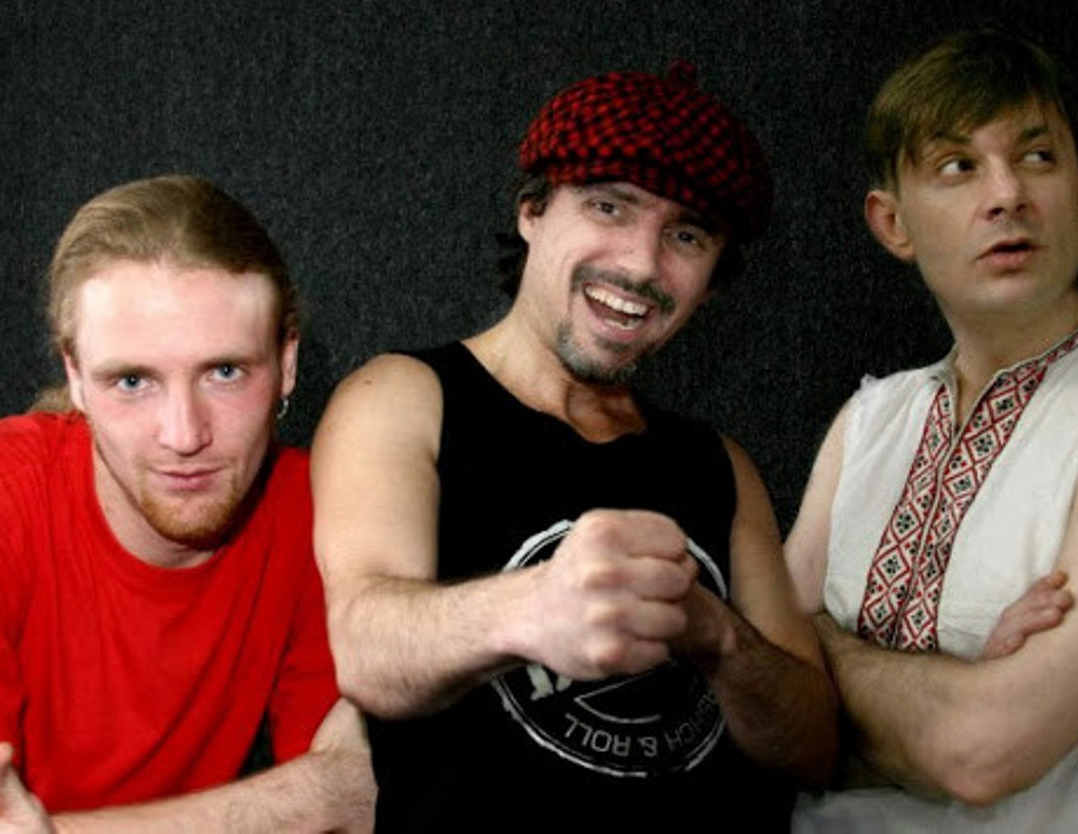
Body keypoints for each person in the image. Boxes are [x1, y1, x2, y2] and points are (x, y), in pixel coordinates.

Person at [311, 64, 838, 831]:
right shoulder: (404, 397)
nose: (640, 264)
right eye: (608, 206)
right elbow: (366, 652)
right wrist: (534, 606)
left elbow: (814, 748)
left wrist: (714, 633)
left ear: (713, 281)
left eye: (685, 235)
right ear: (532, 211)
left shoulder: (718, 464)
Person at [785, 30, 1078, 832]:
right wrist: (958, 683)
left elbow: (982, 752)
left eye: (1036, 157)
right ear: (892, 223)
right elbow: (756, 706)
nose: (1006, 194)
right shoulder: (870, 422)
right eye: (957, 166)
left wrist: (821, 647)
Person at [0, 175, 375, 832]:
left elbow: (357, 800)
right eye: (132, 381)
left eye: (224, 372)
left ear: (287, 361)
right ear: (75, 376)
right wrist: (305, 799)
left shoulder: (322, 512)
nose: (184, 435)